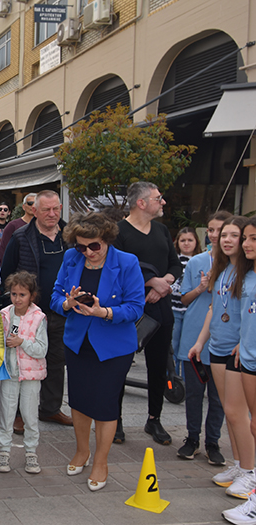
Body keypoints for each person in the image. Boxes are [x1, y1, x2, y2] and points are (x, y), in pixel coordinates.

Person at [50, 211, 144, 492]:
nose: (87, 252)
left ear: (106, 240)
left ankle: (101, 461)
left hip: (113, 347)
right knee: (79, 400)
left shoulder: (127, 263)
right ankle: (82, 450)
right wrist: (66, 304)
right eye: (81, 246)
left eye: (94, 246)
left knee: (104, 405)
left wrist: (104, 311)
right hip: (78, 342)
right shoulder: (71, 259)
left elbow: (136, 307)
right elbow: (55, 295)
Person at [111, 182, 182, 445]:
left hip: (160, 309)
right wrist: (149, 284)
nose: (163, 202)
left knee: (158, 366)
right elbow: (115, 270)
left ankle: (154, 419)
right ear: (141, 203)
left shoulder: (162, 230)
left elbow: (175, 263)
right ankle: (114, 420)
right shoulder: (119, 233)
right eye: (158, 198)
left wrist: (164, 283)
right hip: (129, 311)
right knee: (119, 366)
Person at [188, 216, 254, 499]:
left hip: (236, 351)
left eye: (233, 236)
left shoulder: (247, 274)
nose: (225, 240)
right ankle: (240, 465)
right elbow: (215, 309)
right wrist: (201, 341)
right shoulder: (223, 269)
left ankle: (249, 472)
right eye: (221, 234)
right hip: (218, 346)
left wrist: (242, 342)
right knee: (230, 412)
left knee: (237, 413)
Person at [1, 190, 73, 427]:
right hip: (29, 313)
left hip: (61, 311)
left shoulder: (70, 237)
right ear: (34, 210)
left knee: (56, 360)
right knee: (22, 360)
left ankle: (50, 408)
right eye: (46, 210)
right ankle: (20, 414)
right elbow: (7, 273)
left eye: (56, 209)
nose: (52, 214)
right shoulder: (21, 237)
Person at [176, 212, 230, 466]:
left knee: (219, 398)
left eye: (220, 230)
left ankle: (213, 442)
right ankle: (192, 439)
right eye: (210, 229)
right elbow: (184, 299)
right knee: (194, 394)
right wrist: (201, 287)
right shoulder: (196, 261)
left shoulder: (239, 265)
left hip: (224, 341)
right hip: (194, 336)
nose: (215, 234)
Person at [0, 271, 47, 475]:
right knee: (6, 413)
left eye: (22, 295)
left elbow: (42, 349)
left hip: (31, 375)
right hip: (10, 372)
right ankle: (4, 451)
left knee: (29, 414)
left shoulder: (38, 317)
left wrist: (22, 342)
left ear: (31, 296)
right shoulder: (5, 314)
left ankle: (31, 452)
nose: (17, 299)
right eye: (14, 294)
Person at [222, 216, 256, 525]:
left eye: (251, 238)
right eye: (246, 238)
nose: (246, 244)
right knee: (245, 419)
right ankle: (249, 476)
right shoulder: (246, 274)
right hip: (245, 358)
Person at [171, 226, 203, 374]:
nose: (186, 243)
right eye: (182, 240)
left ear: (196, 241)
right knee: (173, 346)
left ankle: (186, 378)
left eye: (190, 240)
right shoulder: (173, 261)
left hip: (192, 311)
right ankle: (172, 380)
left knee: (189, 347)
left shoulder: (200, 261)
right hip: (175, 310)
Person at [0, 193, 36, 261]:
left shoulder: (42, 226)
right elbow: (3, 250)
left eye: (36, 203)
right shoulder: (13, 225)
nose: (33, 206)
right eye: (30, 203)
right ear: (23, 206)